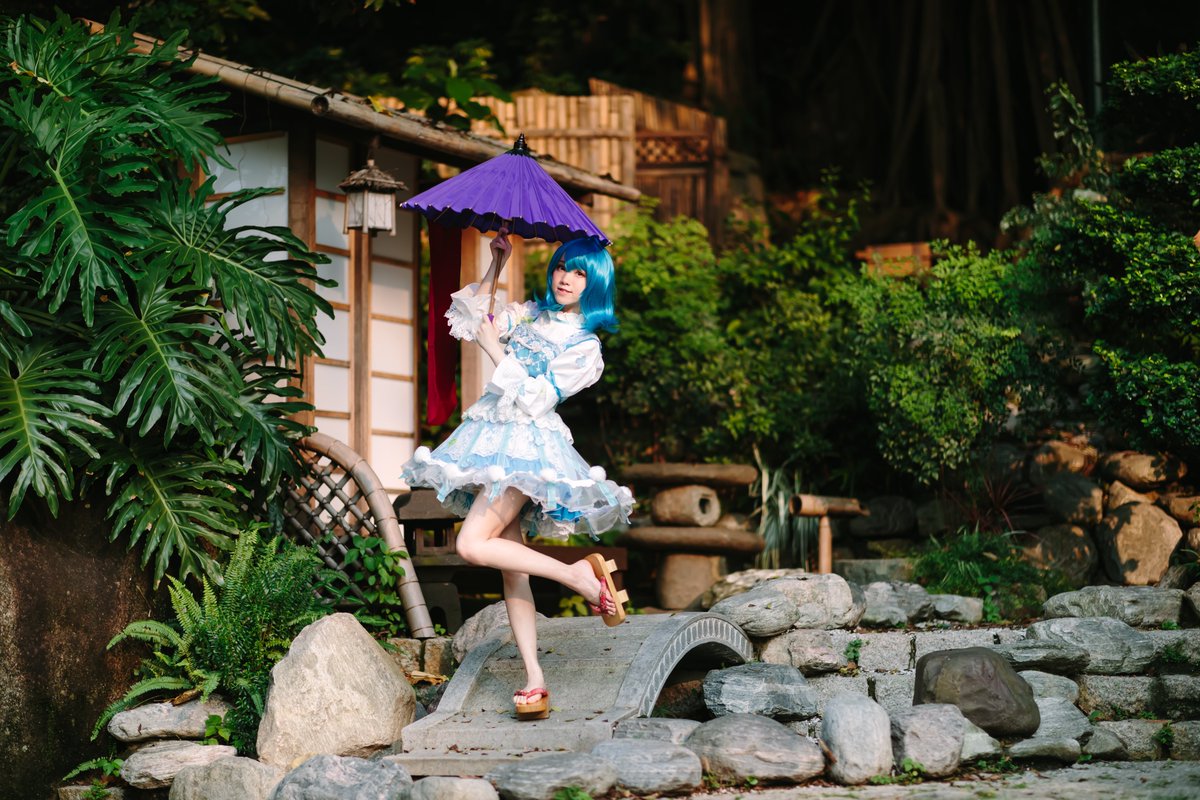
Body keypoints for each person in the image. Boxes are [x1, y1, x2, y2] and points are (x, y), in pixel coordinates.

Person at [401, 231, 633, 720]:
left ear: (595, 283)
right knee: (513, 566)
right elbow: (472, 318)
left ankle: (579, 576)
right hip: (491, 440)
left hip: (525, 449)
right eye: (562, 267)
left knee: (471, 545)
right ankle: (534, 678)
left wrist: (495, 350)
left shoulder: (584, 346)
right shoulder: (530, 313)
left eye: (580, 273)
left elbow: (536, 400)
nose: (566, 278)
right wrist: (497, 264)